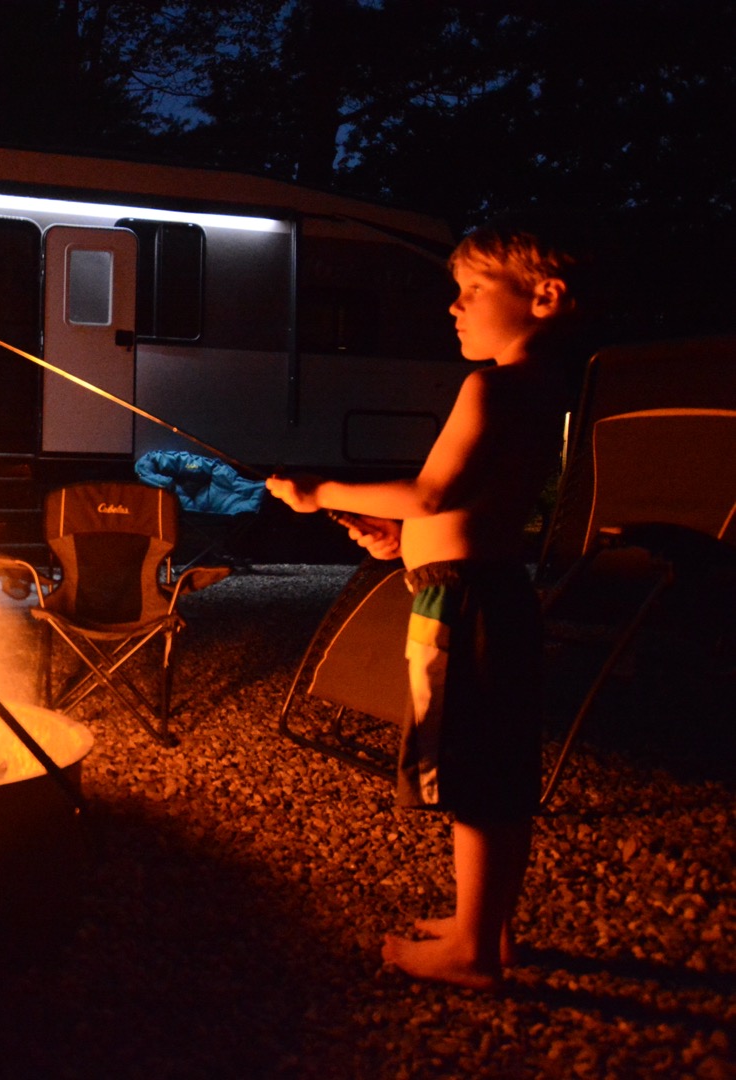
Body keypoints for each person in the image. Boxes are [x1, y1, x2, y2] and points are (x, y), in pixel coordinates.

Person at [265, 215, 594, 990]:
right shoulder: (541, 390)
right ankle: (489, 928)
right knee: (497, 774)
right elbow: (462, 506)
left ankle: (472, 953)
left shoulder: (492, 384)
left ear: (543, 297)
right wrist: (397, 535)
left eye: (472, 290)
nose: (455, 307)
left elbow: (432, 490)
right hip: (492, 595)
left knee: (473, 780)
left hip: (463, 605)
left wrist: (320, 491)